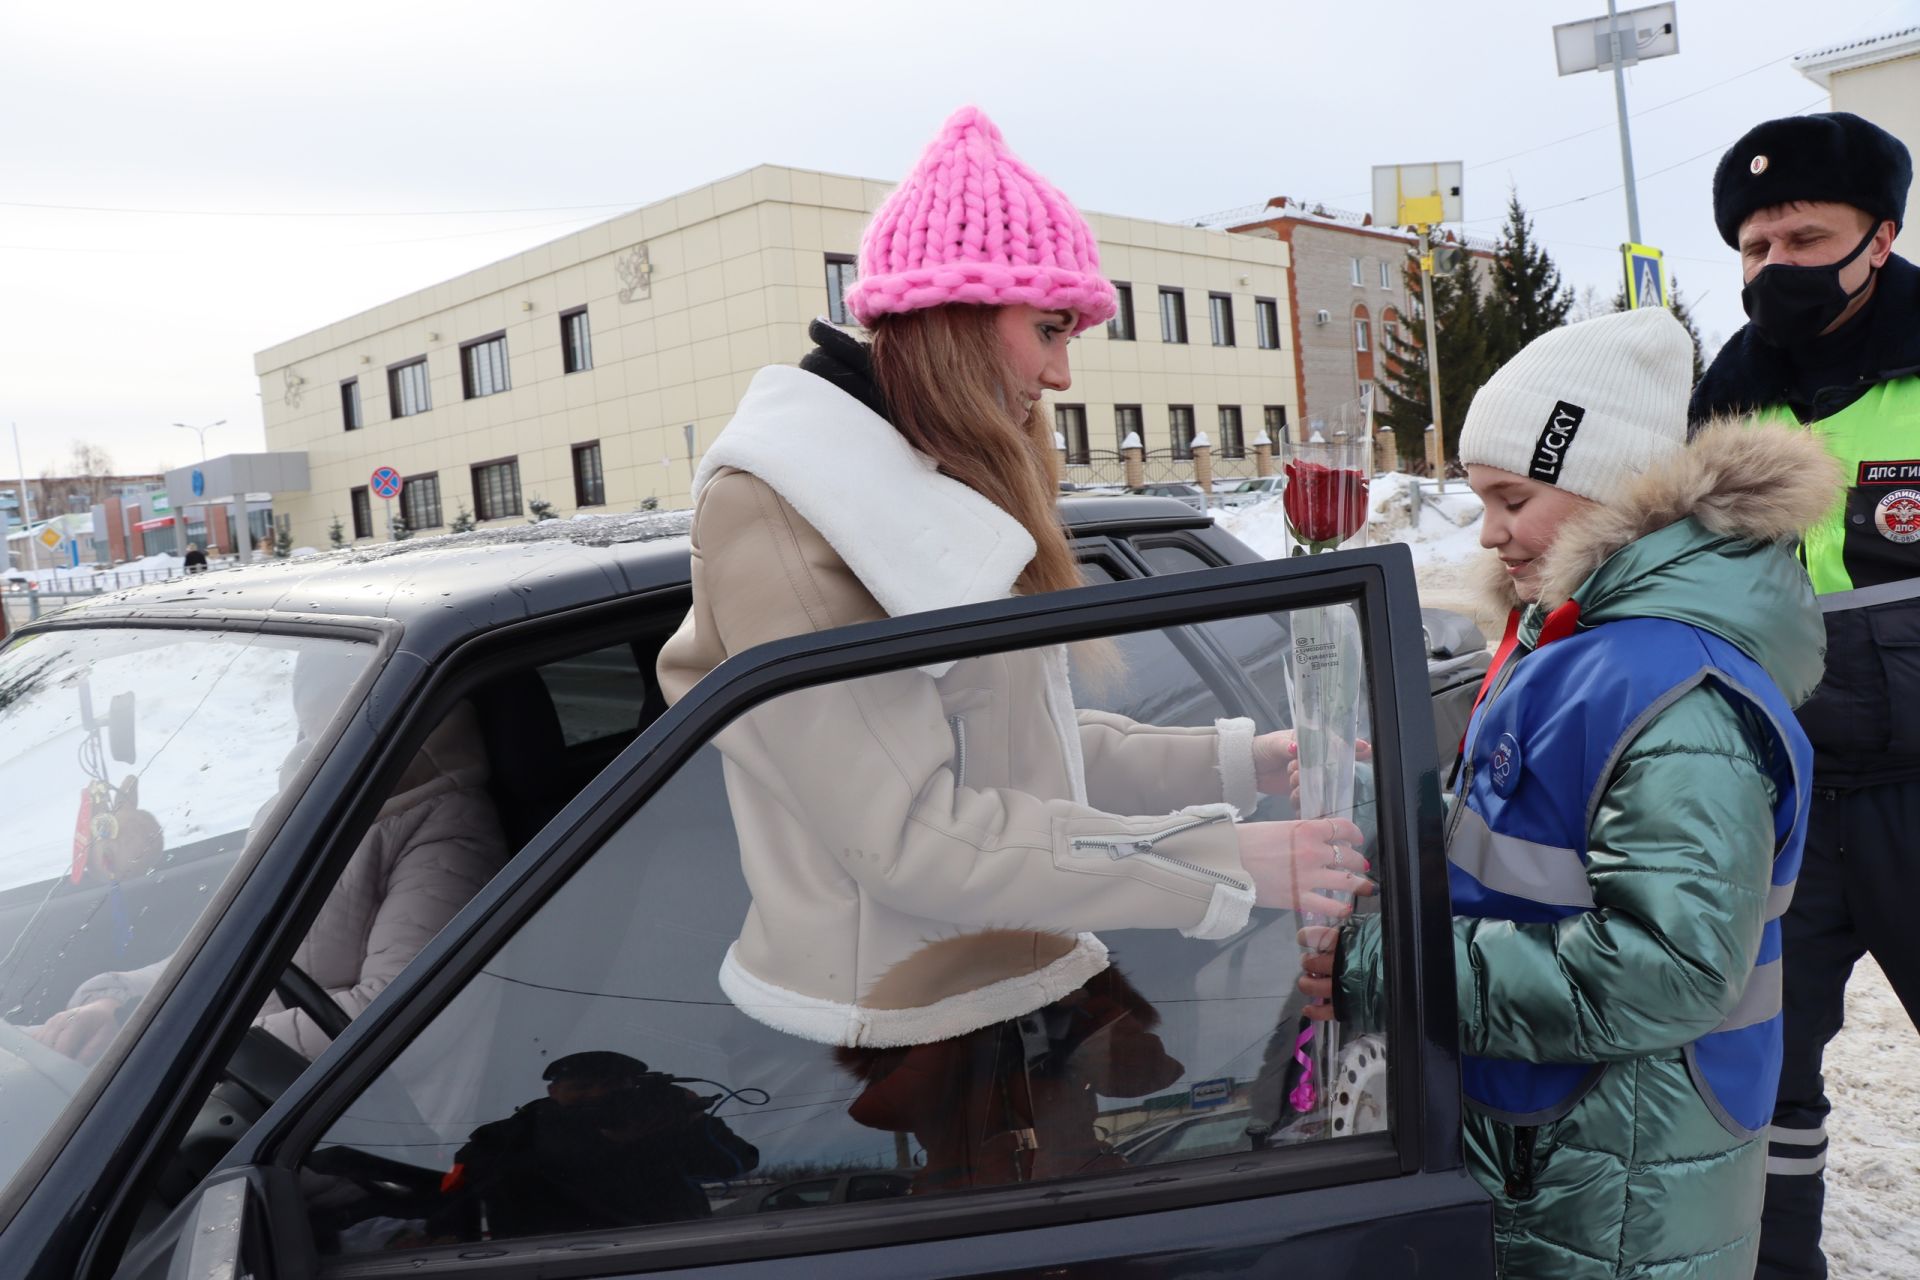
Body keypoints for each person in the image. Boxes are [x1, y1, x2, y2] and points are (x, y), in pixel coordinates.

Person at [656, 107, 1370, 1122]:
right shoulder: (789, 511)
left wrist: (1236, 761)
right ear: (955, 312)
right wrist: (1223, 858)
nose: (1063, 372)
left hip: (993, 990)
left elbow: (1014, 753)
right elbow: (916, 838)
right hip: (902, 1030)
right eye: (1049, 329)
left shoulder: (919, 487)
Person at [1304, 308, 1839, 1278]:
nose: (1493, 530)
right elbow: (1527, 850)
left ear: (1607, 486)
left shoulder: (1674, 689)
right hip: (1567, 1149)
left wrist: (1381, 964)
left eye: (1515, 495)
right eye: (1479, 498)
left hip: (1623, 1187)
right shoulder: (1583, 645)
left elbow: (1671, 968)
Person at [1687, 111, 1919, 1280]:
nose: (1773, 269)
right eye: (1754, 248)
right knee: (1763, 1079)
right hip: (1789, 808)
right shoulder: (1723, 408)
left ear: (1881, 237)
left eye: (1802, 240)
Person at [32, 668, 509, 1062]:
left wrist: (160, 1045)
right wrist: (117, 1002)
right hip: (234, 1076)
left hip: (323, 1127)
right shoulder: (308, 800)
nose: (313, 726)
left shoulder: (449, 830)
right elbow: (224, 952)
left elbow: (393, 1017)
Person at [432, 1050, 758, 1238]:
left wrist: (694, 1121)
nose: (597, 1094)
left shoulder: (666, 1120)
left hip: (676, 1253)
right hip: (548, 1263)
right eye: (582, 1086)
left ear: (635, 1086)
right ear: (554, 1091)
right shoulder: (512, 1135)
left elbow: (738, 1163)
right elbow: (454, 1186)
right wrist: (610, 1143)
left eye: (613, 1085)